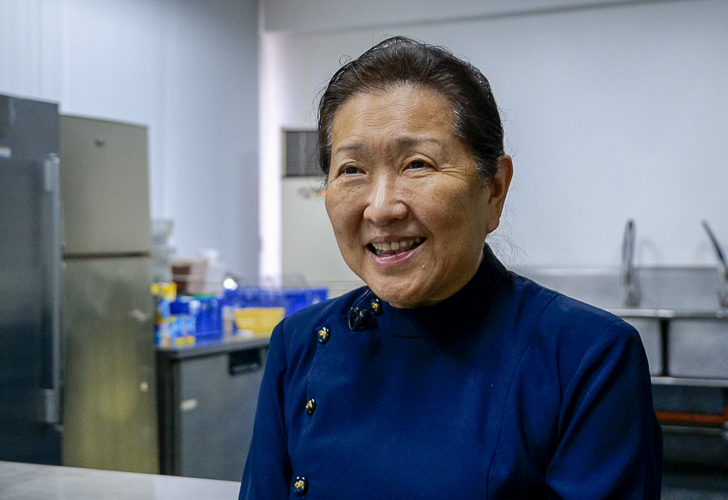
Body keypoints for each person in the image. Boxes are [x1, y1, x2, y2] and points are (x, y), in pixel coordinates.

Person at [239, 36, 662, 499]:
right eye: (352, 170)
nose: (381, 209)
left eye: (417, 164)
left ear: (494, 190)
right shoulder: (297, 345)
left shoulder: (586, 357)